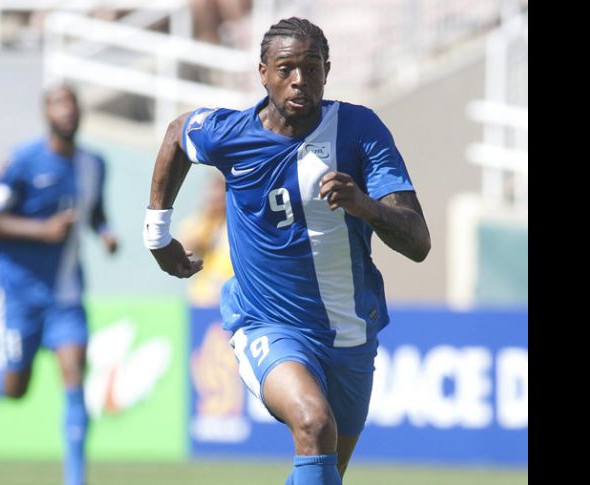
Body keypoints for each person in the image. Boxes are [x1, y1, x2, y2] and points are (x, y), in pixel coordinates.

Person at [143, 17, 431, 485]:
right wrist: (157, 234)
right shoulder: (231, 135)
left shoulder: (359, 131)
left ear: (327, 70)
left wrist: (366, 207)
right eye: (286, 69)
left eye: (311, 69)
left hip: (351, 333)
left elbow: (418, 242)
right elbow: (179, 133)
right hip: (267, 324)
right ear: (263, 73)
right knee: (314, 425)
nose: (300, 81)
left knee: (324, 470)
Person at [0, 83, 118, 485]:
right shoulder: (23, 161)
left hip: (66, 294)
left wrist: (105, 231)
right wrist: (42, 230)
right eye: (60, 104)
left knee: (75, 376)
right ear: (46, 113)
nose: (68, 111)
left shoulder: (95, 164)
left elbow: (94, 211)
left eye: (73, 104)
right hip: (19, 293)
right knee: (14, 387)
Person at [178, 173, 233, 307]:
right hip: (205, 297)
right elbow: (185, 248)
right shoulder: (199, 221)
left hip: (233, 297)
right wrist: (208, 218)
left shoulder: (238, 224)